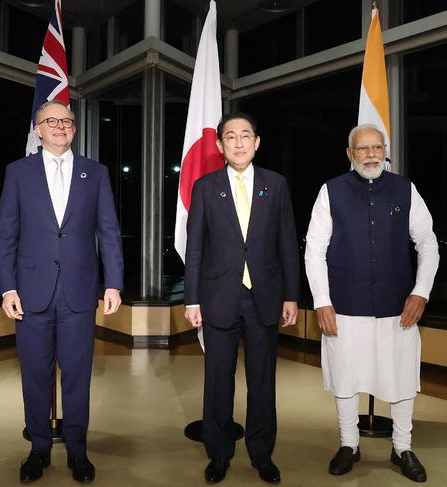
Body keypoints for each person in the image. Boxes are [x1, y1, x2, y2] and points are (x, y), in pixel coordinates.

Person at [0, 100, 124, 483]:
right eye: (51, 120)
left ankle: (78, 451)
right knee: (34, 375)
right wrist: (7, 288)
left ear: (75, 128)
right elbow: (5, 235)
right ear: (37, 129)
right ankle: (37, 449)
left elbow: (109, 232)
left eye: (67, 121)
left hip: (80, 293)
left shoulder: (95, 173)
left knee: (78, 375)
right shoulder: (17, 173)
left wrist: (113, 282)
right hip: (30, 293)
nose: (60, 126)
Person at [305, 124, 439, 483]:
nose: (371, 154)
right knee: (346, 379)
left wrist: (421, 291)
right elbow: (314, 250)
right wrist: (322, 301)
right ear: (350, 154)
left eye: (377, 147)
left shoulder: (404, 189)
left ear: (385, 151)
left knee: (401, 377)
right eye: (362, 149)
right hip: (344, 306)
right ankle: (349, 444)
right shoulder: (330, 191)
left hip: (399, 307)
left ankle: (402, 448)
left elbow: (427, 243)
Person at [184, 112, 299, 484]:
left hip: (264, 299)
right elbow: (196, 249)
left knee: (262, 382)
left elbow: (286, 244)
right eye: (230, 136)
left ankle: (262, 454)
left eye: (245, 135)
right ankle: (219, 453)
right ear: (219, 145)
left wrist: (291, 296)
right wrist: (191, 300)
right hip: (218, 298)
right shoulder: (205, 187)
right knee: (218, 381)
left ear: (257, 142)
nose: (238, 142)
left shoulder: (276, 185)